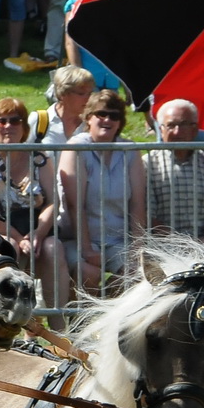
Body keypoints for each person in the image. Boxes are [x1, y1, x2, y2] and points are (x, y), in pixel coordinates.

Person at [0, 96, 68, 306]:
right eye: (1, 121)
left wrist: (38, 234)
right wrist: (19, 237)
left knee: (54, 248)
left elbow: (53, 202)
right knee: (10, 247)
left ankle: (58, 328)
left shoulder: (38, 157)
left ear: (24, 126)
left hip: (36, 227)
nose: (8, 126)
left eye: (15, 120)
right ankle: (14, 322)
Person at [59, 89, 145, 291]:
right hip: (77, 238)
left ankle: (105, 315)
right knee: (89, 273)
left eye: (114, 115)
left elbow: (138, 203)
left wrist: (139, 247)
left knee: (137, 273)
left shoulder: (130, 150)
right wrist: (87, 249)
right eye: (101, 114)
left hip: (117, 239)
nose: (107, 119)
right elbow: (74, 204)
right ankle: (83, 318)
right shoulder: (76, 147)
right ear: (89, 118)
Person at [143, 98, 204, 247]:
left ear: (195, 129)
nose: (177, 131)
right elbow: (147, 216)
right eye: (171, 125)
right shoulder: (148, 164)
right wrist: (183, 244)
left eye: (184, 124)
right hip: (163, 248)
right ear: (161, 129)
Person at [29, 63, 94, 145]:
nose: (88, 98)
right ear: (63, 94)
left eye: (90, 93)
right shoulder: (38, 120)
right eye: (81, 93)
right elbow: (19, 154)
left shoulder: (92, 123)